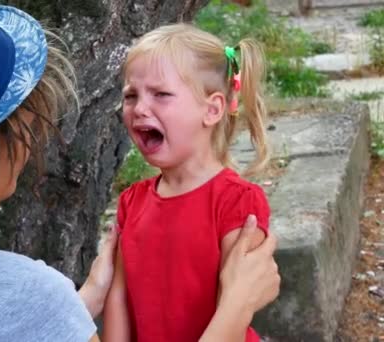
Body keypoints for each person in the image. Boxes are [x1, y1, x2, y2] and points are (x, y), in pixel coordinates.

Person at [0, 1, 280, 341]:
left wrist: (88, 297)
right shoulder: (31, 297)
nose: (32, 144)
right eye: (26, 123)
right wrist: (237, 304)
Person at [103, 23, 272, 342]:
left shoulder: (237, 202)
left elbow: (236, 308)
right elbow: (118, 298)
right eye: (130, 95)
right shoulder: (132, 201)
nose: (139, 108)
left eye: (161, 94)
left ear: (212, 110)